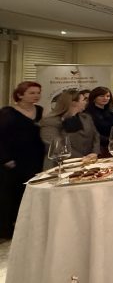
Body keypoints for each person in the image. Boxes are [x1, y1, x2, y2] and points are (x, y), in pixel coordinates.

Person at [0, 82, 44, 238]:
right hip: (13, 160)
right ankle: (6, 229)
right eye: (32, 93)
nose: (36, 95)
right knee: (10, 193)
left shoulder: (40, 110)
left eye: (38, 92)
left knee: (28, 191)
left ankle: (25, 226)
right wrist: (5, 158)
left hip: (34, 158)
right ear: (20, 95)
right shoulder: (7, 112)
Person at [40, 89, 100, 163]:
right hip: (61, 163)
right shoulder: (50, 121)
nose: (86, 102)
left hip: (88, 162)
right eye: (84, 100)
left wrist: (94, 152)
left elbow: (95, 136)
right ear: (74, 103)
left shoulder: (86, 117)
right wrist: (81, 158)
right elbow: (55, 145)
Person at [85, 86, 113, 158]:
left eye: (108, 96)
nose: (105, 98)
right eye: (101, 96)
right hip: (98, 147)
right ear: (94, 98)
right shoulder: (87, 113)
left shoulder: (111, 111)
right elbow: (92, 133)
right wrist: (110, 140)